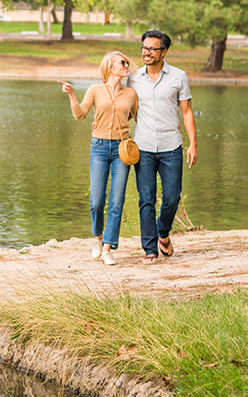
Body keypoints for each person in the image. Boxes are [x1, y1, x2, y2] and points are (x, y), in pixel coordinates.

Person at [59, 51, 138, 266]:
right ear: (110, 67)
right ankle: (98, 238)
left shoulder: (131, 94)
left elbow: (138, 119)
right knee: (96, 201)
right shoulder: (95, 90)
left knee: (117, 200)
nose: (126, 65)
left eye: (126, 63)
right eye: (122, 62)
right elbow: (80, 114)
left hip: (122, 149)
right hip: (99, 148)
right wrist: (72, 95)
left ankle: (109, 248)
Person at [128, 30, 198, 264]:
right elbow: (125, 108)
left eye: (152, 49)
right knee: (146, 198)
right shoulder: (134, 78)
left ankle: (163, 232)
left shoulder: (178, 77)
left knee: (171, 198)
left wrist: (193, 144)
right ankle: (149, 249)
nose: (146, 53)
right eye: (144, 48)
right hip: (144, 147)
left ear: (164, 52)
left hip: (171, 146)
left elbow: (186, 111)